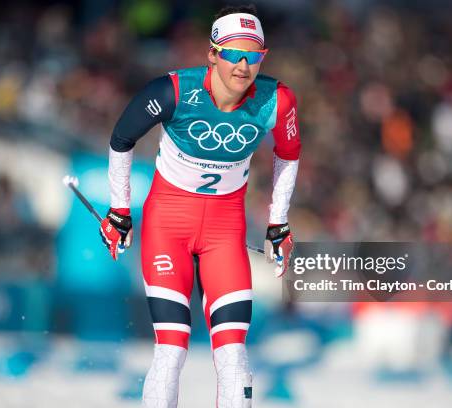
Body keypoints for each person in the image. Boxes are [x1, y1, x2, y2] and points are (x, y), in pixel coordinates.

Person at [99, 5, 301, 407]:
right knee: (172, 348)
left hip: (224, 232)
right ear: (212, 54)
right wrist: (119, 211)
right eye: (232, 53)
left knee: (233, 356)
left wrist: (278, 223)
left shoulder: (277, 100)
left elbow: (288, 154)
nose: (243, 66)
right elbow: (121, 139)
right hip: (167, 226)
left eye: (253, 55)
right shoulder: (173, 91)